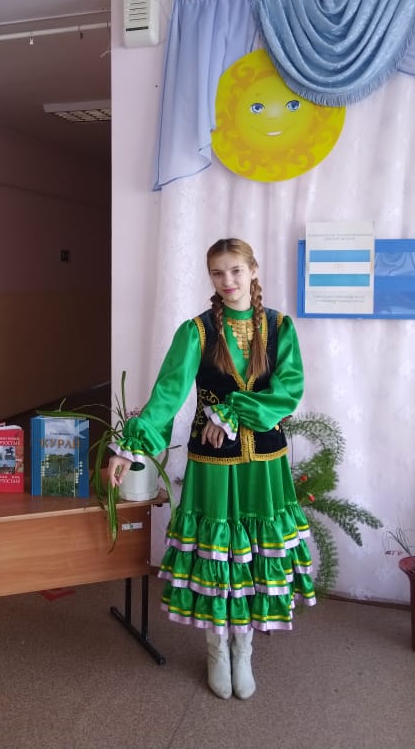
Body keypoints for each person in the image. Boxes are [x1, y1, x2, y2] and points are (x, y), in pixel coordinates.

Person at [108, 238, 313, 700]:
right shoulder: (196, 331)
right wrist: (129, 447)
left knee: (254, 555)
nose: (228, 281)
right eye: (218, 273)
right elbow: (167, 394)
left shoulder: (279, 327)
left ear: (253, 270)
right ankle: (217, 649)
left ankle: (244, 650)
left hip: (264, 463)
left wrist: (232, 412)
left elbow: (288, 390)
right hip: (213, 464)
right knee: (217, 556)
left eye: (236, 270)